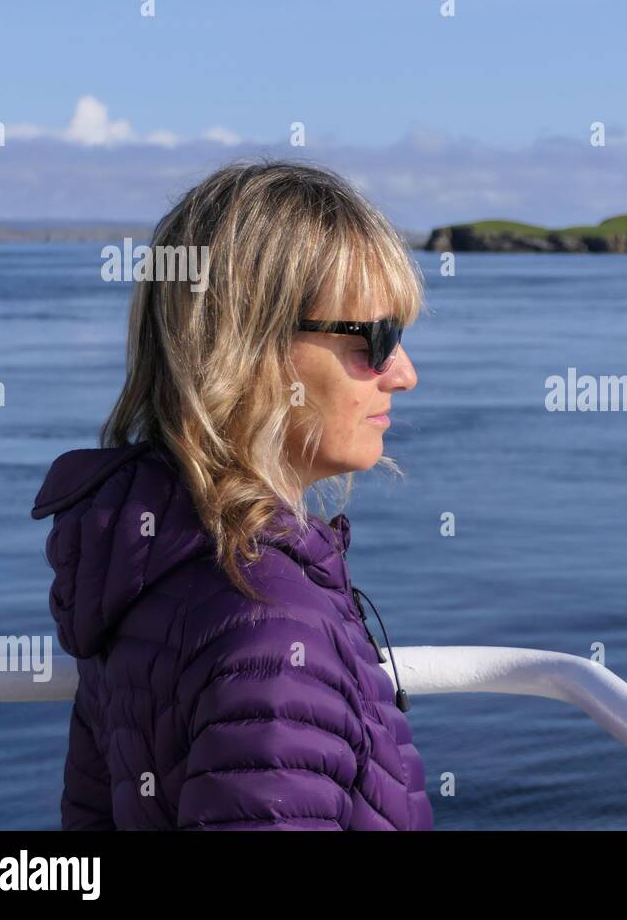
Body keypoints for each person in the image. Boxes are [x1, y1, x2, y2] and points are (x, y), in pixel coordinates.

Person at [30, 161, 434, 830]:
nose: (404, 375)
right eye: (377, 340)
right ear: (250, 349)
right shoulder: (271, 635)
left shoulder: (136, 567)